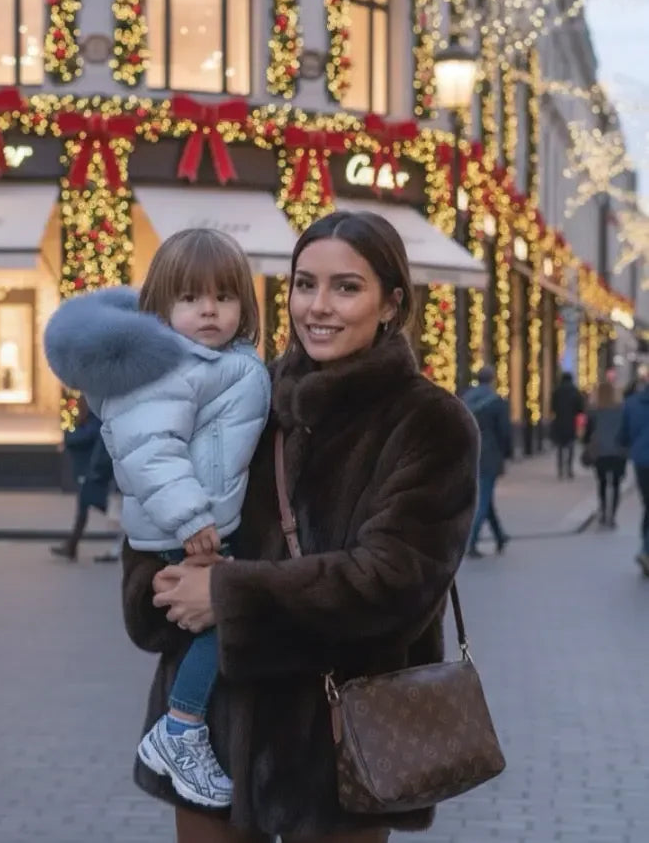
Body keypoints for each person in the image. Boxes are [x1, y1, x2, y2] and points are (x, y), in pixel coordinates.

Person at [119, 212, 479, 842]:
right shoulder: (245, 394)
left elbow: (393, 584)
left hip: (339, 753)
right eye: (303, 284)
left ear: (391, 303)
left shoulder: (429, 423)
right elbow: (157, 538)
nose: (319, 306)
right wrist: (163, 583)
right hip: (213, 738)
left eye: (346, 287)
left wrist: (229, 598)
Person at [45, 228, 271, 810]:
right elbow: (150, 449)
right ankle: (180, 729)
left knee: (222, 617)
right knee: (220, 619)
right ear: (160, 309)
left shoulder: (217, 361)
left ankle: (181, 727)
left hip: (202, 519)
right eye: (191, 299)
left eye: (224, 297)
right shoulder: (172, 367)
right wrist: (192, 515)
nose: (209, 310)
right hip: (187, 527)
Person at [51, 399, 114, 561]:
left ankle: (72, 545)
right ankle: (72, 545)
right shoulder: (91, 422)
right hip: (88, 473)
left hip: (90, 473)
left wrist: (68, 432)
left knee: (96, 505)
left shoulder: (93, 423)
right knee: (84, 508)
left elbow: (77, 439)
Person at [462, 365, 512, 557]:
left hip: (469, 454)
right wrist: (506, 454)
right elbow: (504, 432)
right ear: (492, 379)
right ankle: (471, 541)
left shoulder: (465, 399)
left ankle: (499, 536)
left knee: (485, 497)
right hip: (489, 455)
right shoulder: (496, 402)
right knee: (483, 499)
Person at [583, 380, 627, 529]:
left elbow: (587, 434)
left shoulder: (594, 412)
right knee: (615, 484)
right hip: (618, 451)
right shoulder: (621, 410)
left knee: (602, 483)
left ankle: (602, 512)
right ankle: (612, 515)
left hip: (600, 452)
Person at [618, 378, 649, 575]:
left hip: (641, 461)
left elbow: (623, 435)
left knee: (648, 503)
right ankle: (646, 549)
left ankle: (645, 546)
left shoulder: (632, 403)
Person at [551, 371, 585, 479]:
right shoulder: (575, 391)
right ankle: (569, 469)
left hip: (559, 421)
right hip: (571, 422)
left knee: (560, 447)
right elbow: (580, 408)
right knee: (570, 446)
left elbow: (553, 407)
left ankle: (560, 469)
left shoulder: (557, 391)